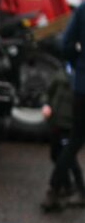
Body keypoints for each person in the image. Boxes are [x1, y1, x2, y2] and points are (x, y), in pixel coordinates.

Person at [44, 0, 85, 210]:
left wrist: (79, 60)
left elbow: (66, 44)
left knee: (73, 141)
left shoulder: (83, 8)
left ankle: (54, 191)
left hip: (82, 86)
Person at [40, 63, 84, 210]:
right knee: (55, 154)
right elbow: (49, 92)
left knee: (68, 157)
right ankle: (67, 186)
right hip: (55, 122)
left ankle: (74, 188)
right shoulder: (62, 72)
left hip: (70, 125)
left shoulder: (78, 78)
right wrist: (46, 104)